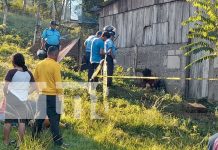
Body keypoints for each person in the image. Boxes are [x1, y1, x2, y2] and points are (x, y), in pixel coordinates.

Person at [32, 46, 64, 146]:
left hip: (41, 95)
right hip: (53, 96)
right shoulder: (55, 65)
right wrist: (60, 95)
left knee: (39, 118)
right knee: (54, 119)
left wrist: (39, 90)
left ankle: (34, 137)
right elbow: (58, 82)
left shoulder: (39, 64)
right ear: (55, 54)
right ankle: (57, 142)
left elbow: (35, 79)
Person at [3, 53, 36, 147]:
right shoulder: (28, 73)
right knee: (22, 122)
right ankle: (19, 143)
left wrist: (6, 96)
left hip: (12, 99)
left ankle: (6, 142)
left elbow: (5, 87)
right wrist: (26, 93)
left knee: (8, 122)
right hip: (23, 99)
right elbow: (34, 87)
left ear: (14, 62)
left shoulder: (11, 72)